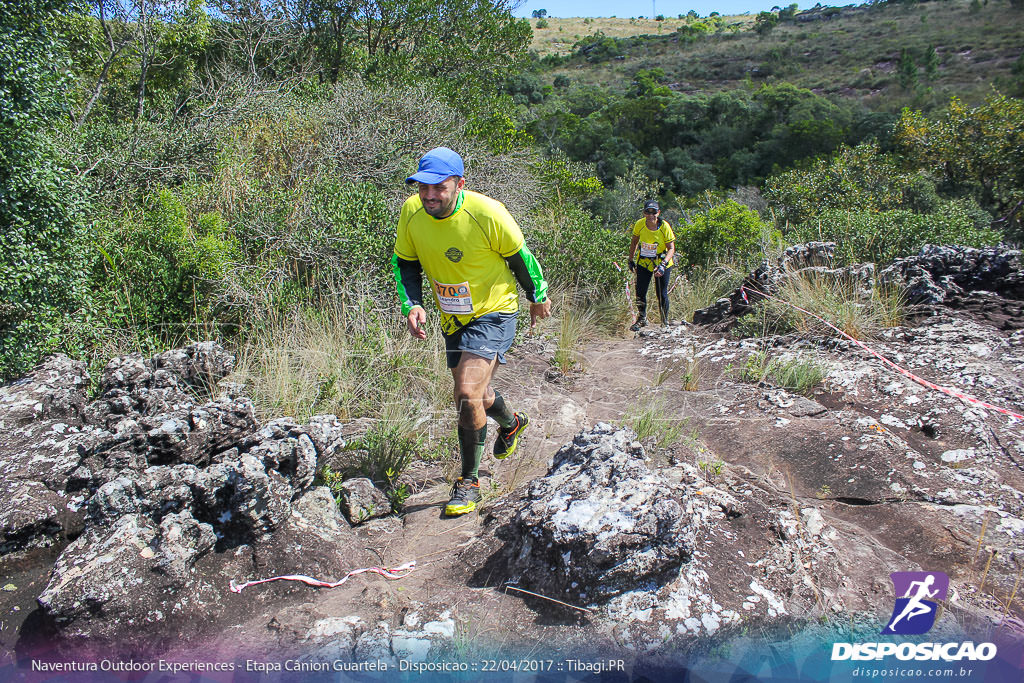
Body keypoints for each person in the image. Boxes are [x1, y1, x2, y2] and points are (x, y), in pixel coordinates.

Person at [392, 147, 551, 517]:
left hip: (494, 312)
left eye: (438, 188)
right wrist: (412, 304)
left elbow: (520, 258)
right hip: (452, 318)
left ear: (459, 184)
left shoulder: (487, 213)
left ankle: (469, 482)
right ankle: (511, 424)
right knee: (476, 392)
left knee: (465, 392)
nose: (429, 196)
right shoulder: (411, 213)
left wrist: (537, 295)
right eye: (422, 188)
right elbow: (406, 263)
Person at [627, 199, 675, 331]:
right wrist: (630, 259)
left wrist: (663, 265)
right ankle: (642, 319)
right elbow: (634, 241)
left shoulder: (664, 226)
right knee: (640, 292)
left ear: (658, 213)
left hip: (661, 262)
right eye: (648, 212)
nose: (651, 215)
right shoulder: (640, 224)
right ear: (644, 213)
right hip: (644, 262)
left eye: (654, 212)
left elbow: (671, 248)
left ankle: (664, 321)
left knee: (661, 293)